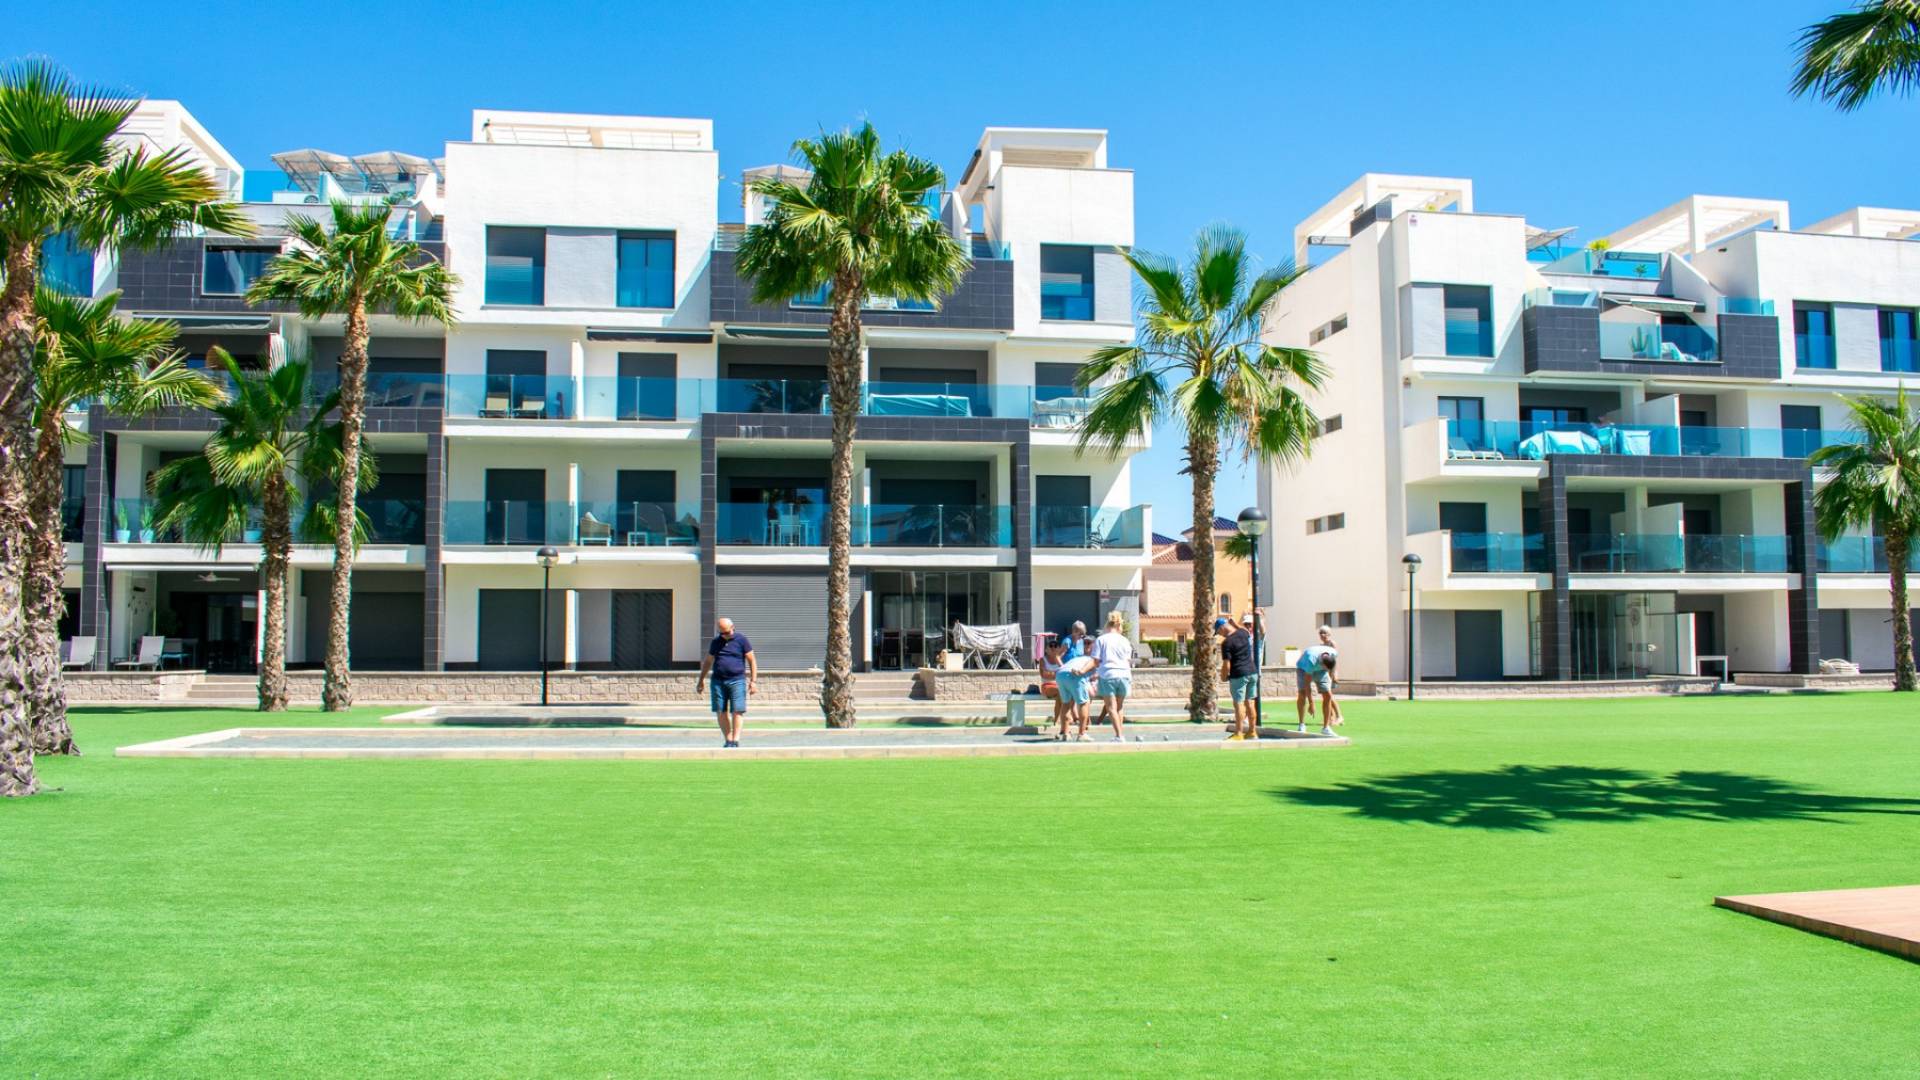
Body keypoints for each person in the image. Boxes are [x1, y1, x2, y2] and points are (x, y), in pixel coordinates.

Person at [695, 617, 756, 748]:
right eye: (721, 633)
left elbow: (752, 660)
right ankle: (728, 740)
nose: (725, 636)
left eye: (727, 633)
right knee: (720, 710)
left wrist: (753, 681)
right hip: (718, 680)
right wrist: (701, 680)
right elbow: (708, 661)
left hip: (737, 680)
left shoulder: (742, 640)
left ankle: (736, 739)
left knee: (737, 710)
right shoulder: (716, 642)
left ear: (733, 628)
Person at [1089, 610, 1134, 741]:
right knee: (1119, 707)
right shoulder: (1125, 640)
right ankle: (1120, 734)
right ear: (1119, 625)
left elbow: (1095, 660)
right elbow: (1127, 659)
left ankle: (1119, 735)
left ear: (1107, 624)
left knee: (1111, 707)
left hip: (1108, 674)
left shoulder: (1101, 639)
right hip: (1124, 674)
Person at [1217, 616, 1260, 740]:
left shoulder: (1227, 643)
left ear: (1222, 628)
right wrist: (1234, 624)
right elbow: (1243, 630)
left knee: (1239, 704)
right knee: (1250, 702)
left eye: (1219, 632)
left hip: (1238, 674)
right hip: (1252, 672)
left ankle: (1239, 733)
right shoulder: (1243, 633)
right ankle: (1252, 732)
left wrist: (1223, 676)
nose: (1220, 635)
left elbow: (1227, 664)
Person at [1296, 641, 1339, 735]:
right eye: (1326, 668)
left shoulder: (1334, 653)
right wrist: (1311, 703)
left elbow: (1332, 668)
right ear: (1322, 663)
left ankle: (1326, 727)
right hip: (1303, 669)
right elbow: (1307, 684)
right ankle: (1301, 724)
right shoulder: (1312, 659)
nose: (1328, 670)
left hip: (1320, 671)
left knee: (1328, 695)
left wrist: (1332, 677)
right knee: (1302, 693)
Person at [1055, 652, 1097, 741]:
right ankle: (1082, 734)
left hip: (1060, 674)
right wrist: (1081, 672)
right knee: (1083, 703)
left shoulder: (1079, 659)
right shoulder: (1093, 660)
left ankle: (1065, 733)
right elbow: (1088, 667)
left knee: (1066, 703)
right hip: (1074, 675)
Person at [1039, 638, 1068, 739]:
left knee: (1063, 694)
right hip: (1047, 686)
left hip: (1060, 686)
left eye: (1055, 646)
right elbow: (1044, 675)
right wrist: (1058, 674)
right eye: (1050, 646)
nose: (1053, 648)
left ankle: (1059, 721)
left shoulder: (1061, 660)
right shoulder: (1043, 660)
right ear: (1046, 649)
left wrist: (1054, 674)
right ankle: (1058, 720)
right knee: (1061, 693)